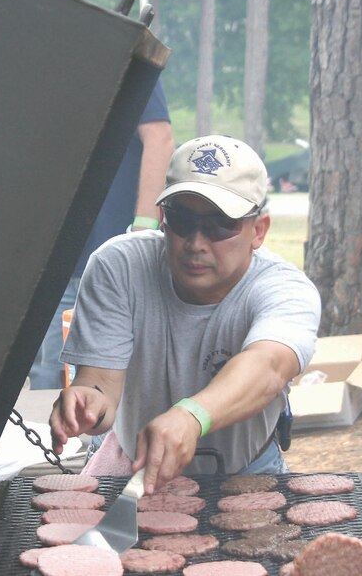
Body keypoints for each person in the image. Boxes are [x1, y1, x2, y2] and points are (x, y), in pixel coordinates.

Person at [49, 134, 321, 494]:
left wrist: (192, 417)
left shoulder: (285, 288)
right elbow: (100, 382)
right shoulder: (119, 267)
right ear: (163, 218)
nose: (196, 243)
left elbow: (268, 366)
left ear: (258, 230)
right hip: (132, 467)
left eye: (220, 224)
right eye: (182, 220)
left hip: (248, 470)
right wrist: (88, 402)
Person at [29, 78, 174, 390]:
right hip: (54, 258)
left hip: (112, 252)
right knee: (49, 374)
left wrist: (144, 229)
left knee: (114, 373)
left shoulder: (129, 56)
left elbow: (159, 137)